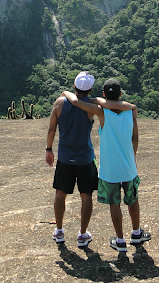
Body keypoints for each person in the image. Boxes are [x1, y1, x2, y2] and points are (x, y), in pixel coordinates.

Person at [62, 78, 151, 252]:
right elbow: (135, 137)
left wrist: (66, 93)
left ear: (104, 94)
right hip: (128, 166)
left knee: (114, 204)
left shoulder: (101, 112)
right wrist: (132, 156)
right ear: (120, 93)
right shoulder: (131, 112)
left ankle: (120, 241)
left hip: (109, 170)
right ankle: (136, 233)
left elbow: (77, 101)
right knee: (132, 200)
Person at [45, 71, 98, 248]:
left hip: (65, 158)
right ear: (90, 90)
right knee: (86, 195)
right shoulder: (92, 106)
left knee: (60, 193)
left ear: (74, 86)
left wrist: (49, 149)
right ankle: (82, 234)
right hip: (85, 159)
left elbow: (52, 129)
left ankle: (59, 231)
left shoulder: (60, 103)